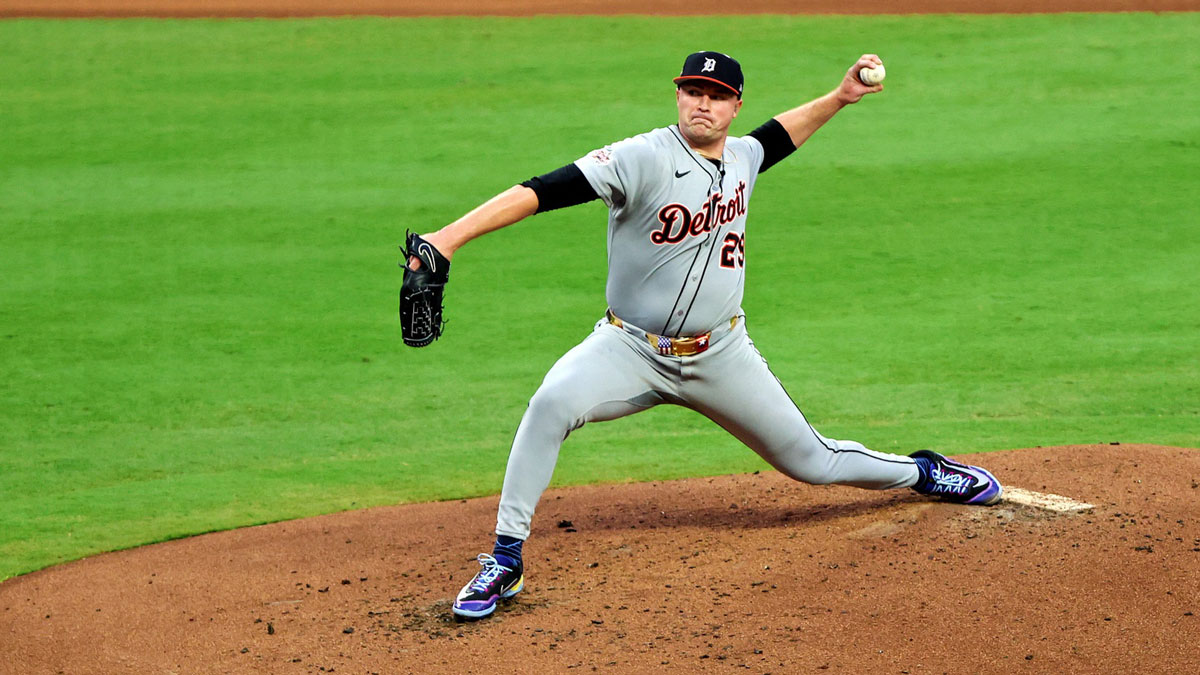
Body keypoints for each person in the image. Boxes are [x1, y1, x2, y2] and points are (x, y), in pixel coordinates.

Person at [409, 51, 1003, 620]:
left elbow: (778, 138)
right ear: (678, 95)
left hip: (721, 354)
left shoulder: (742, 155)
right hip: (628, 349)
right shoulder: (639, 157)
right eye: (694, 91)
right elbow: (544, 189)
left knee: (813, 461)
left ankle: (924, 472)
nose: (703, 104)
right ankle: (505, 557)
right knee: (550, 404)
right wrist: (448, 238)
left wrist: (842, 97)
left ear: (734, 106)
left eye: (717, 96)